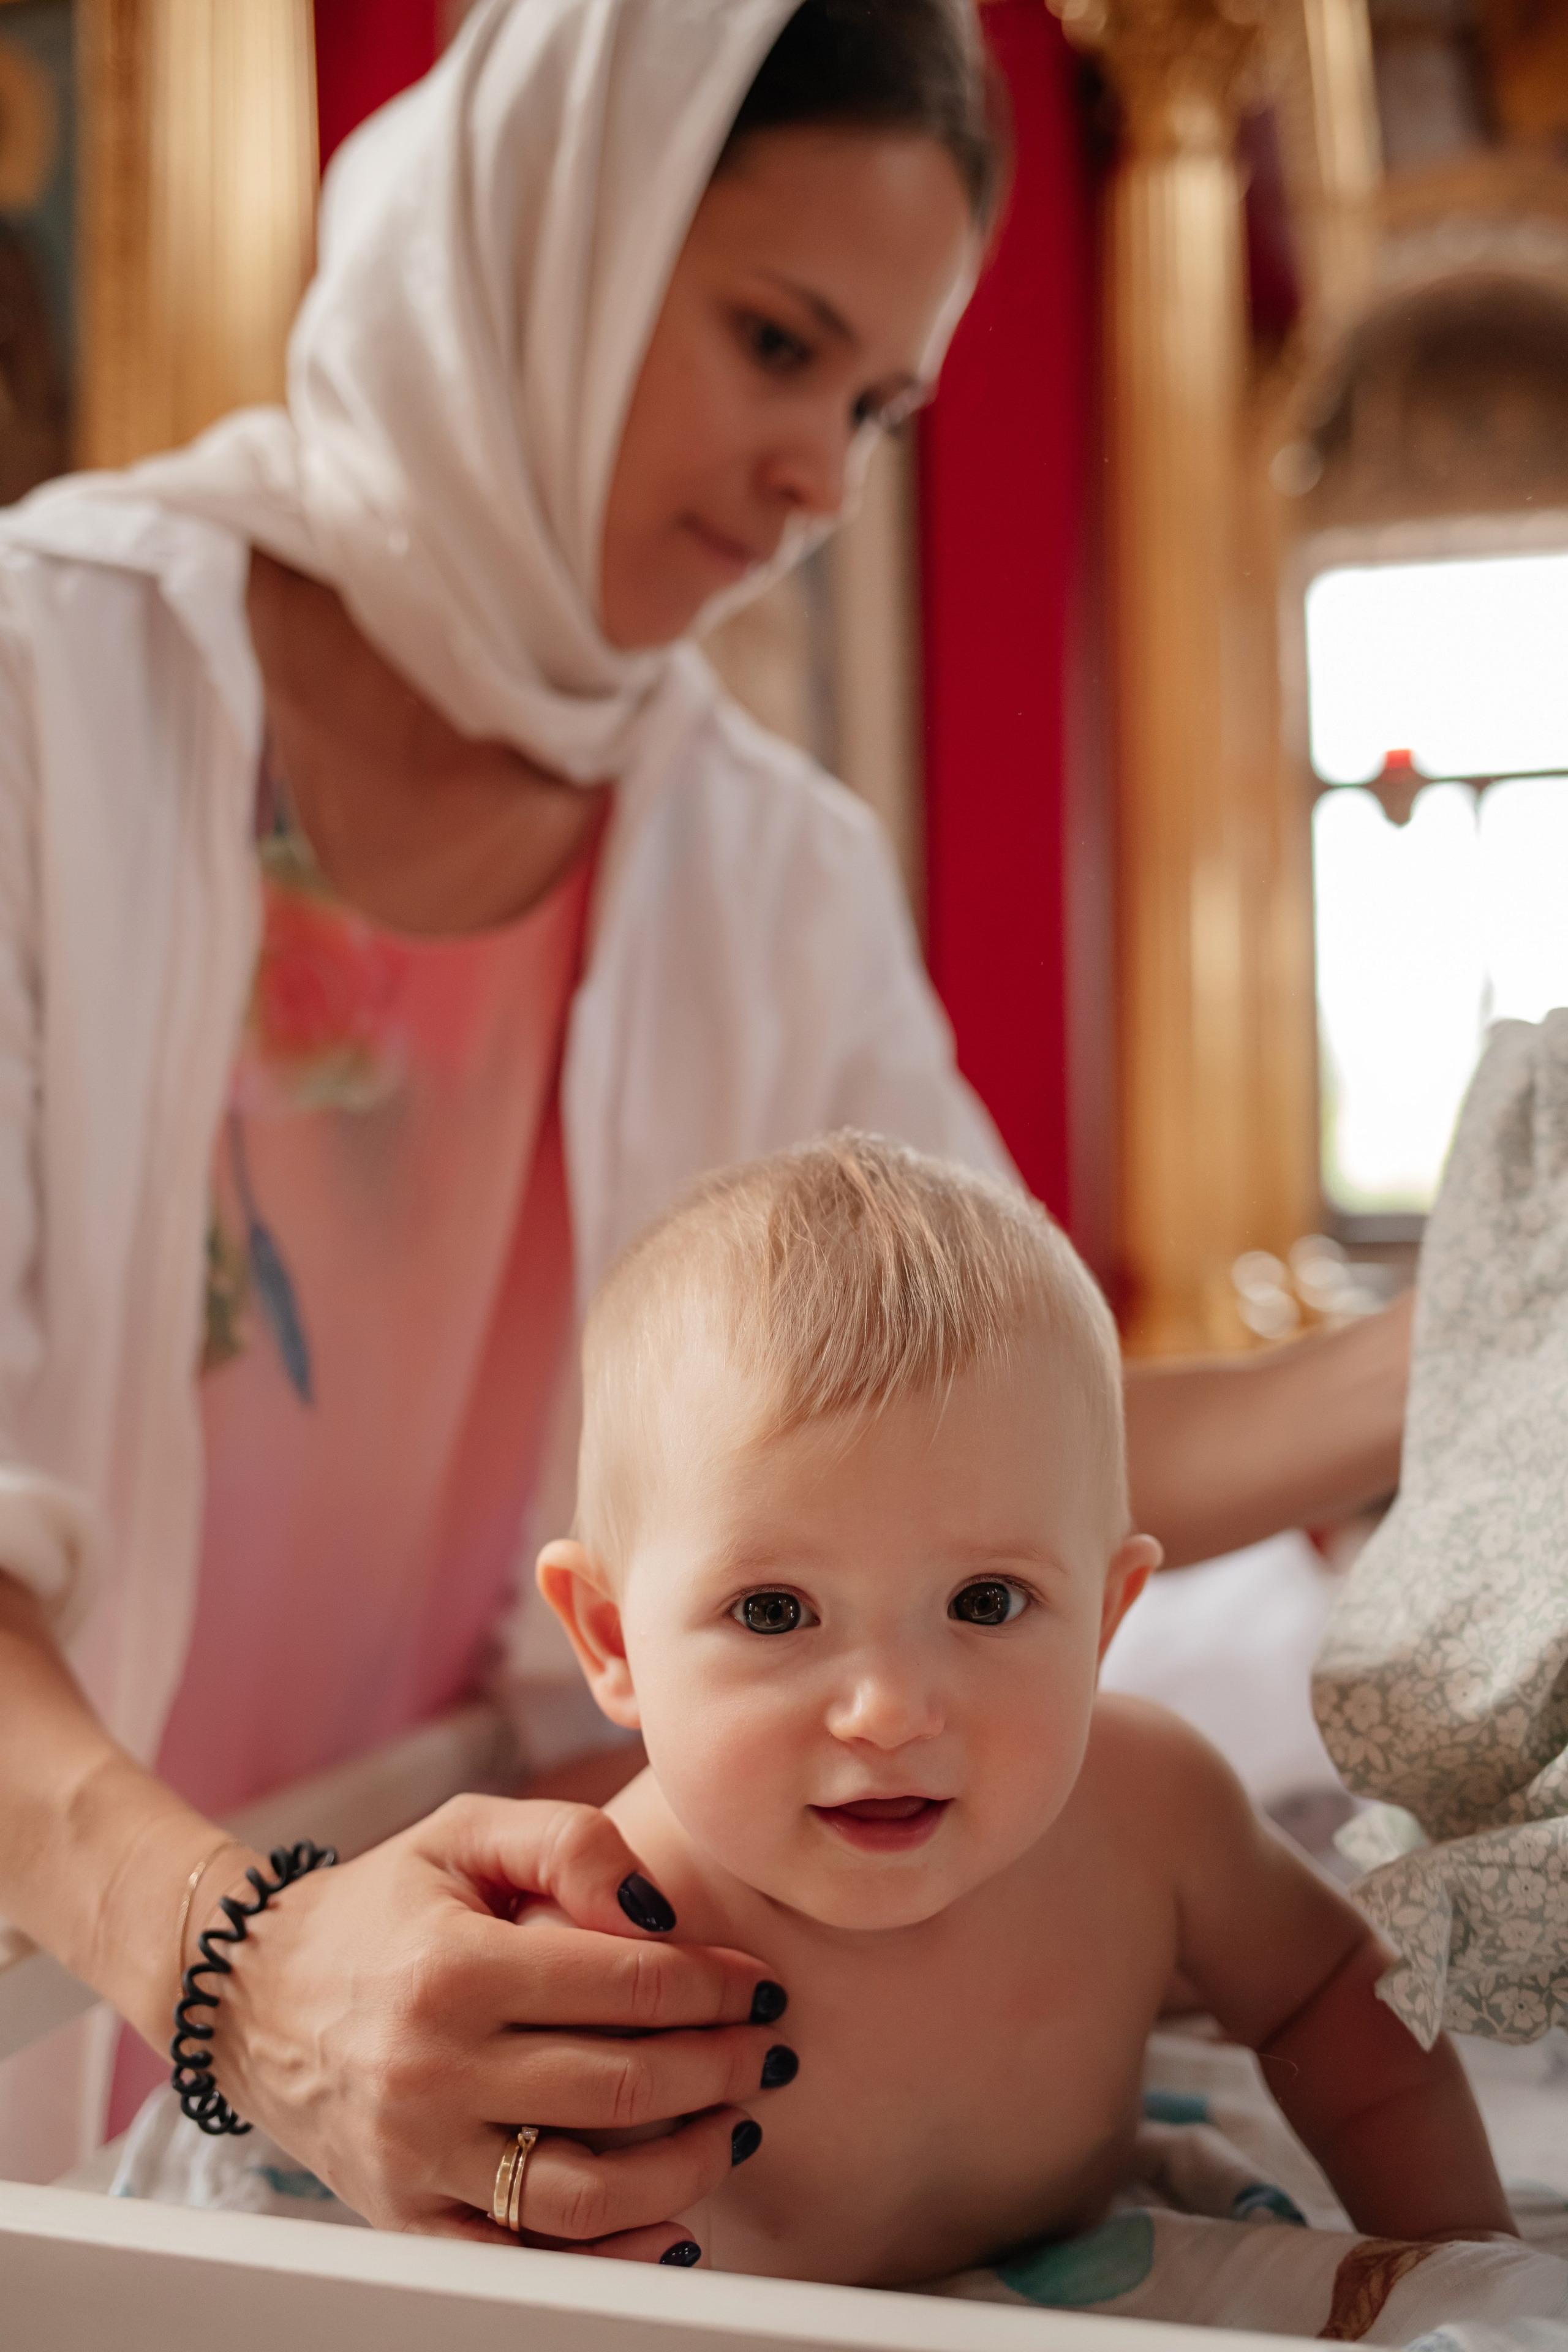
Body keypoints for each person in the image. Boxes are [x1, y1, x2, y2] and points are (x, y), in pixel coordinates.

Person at [0, 0, 1408, 2241]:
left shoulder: (768, 866)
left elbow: (996, 1434)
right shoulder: (42, 686)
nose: (822, 481)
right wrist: (240, 1965)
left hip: (478, 2043)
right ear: (540, 235)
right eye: (776, 343)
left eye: (874, 408)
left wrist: (1457, 1362)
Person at [531, 1134, 1506, 2279]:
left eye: (985, 1602)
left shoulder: (1151, 1812)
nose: (889, 1712)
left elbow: (1334, 1998)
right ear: (613, 1640)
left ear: (1104, 1619)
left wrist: (1462, 2260)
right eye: (774, 1612)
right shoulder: (603, 1944)